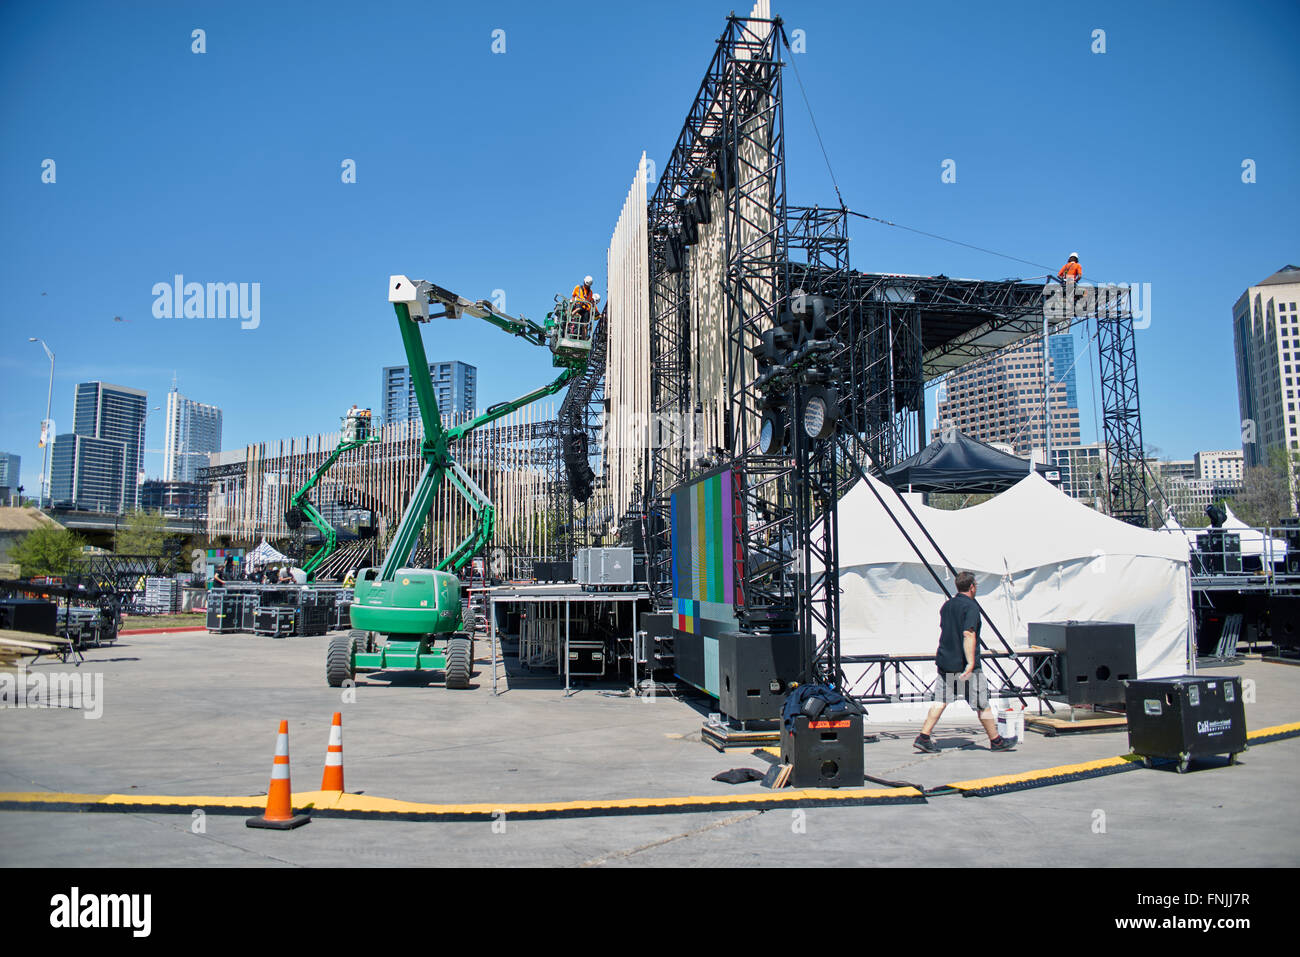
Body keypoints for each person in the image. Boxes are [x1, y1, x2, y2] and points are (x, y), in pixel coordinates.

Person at [914, 571, 1017, 753]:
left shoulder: (946, 606)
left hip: (946, 661)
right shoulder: (971, 607)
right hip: (965, 666)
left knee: (940, 700)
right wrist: (970, 663)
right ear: (972, 587)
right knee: (982, 703)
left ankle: (923, 736)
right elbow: (968, 634)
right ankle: (996, 741)